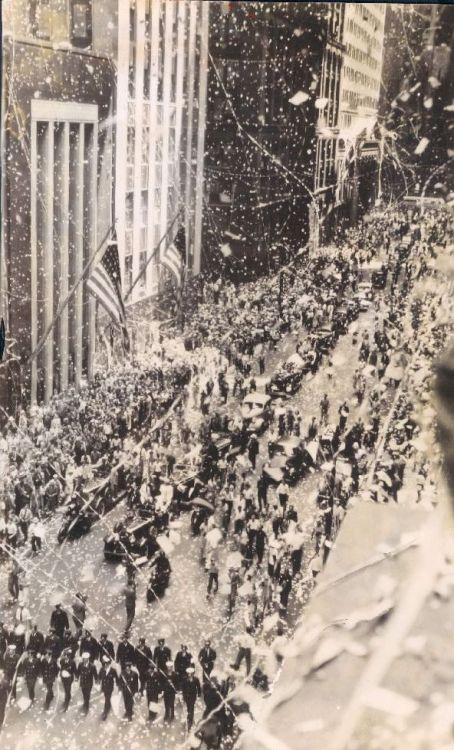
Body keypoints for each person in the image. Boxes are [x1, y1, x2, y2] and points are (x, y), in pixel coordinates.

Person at [99, 656, 118, 720]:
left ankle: (105, 712)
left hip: (110, 687)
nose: (105, 665)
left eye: (107, 663)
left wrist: (118, 685)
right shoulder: (102, 669)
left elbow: (117, 678)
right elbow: (99, 677)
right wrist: (98, 682)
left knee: (107, 698)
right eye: (104, 663)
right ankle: (109, 705)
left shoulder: (113, 670)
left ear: (109, 663)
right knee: (106, 697)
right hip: (104, 687)